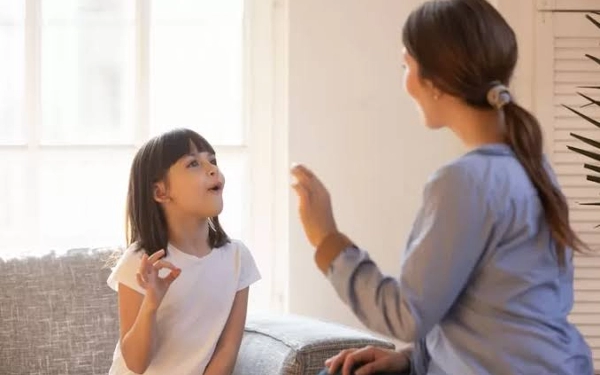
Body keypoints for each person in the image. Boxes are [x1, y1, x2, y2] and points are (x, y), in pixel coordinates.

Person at [290, 0, 594, 374]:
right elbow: (495, 313)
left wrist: (326, 239)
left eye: (406, 66)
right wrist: (410, 359)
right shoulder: (533, 166)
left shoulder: (464, 182)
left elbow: (406, 316)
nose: (404, 81)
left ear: (435, 81)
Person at [106, 128, 261, 374]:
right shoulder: (141, 261)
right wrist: (151, 303)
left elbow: (227, 349)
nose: (212, 169)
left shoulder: (237, 258)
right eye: (193, 164)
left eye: (212, 160)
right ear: (160, 192)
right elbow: (136, 363)